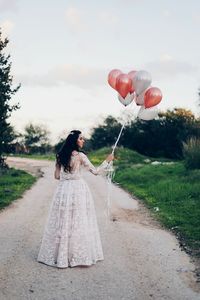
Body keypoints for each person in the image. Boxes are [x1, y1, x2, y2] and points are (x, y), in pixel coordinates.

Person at [37, 130, 114, 268]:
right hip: (78, 189)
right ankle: (74, 254)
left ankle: (61, 255)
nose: (83, 141)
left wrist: (67, 178)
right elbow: (96, 172)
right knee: (77, 220)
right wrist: (107, 161)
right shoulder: (80, 156)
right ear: (75, 141)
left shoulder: (60, 155)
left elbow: (56, 176)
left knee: (63, 220)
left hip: (63, 190)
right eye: (81, 139)